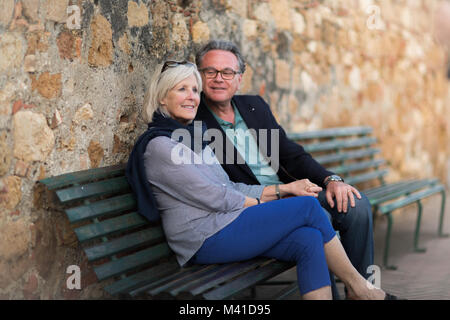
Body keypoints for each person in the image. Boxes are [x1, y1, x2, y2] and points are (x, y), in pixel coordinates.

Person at [125, 60, 398, 300]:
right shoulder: (161, 146)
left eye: (195, 90)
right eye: (182, 89)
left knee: (308, 238)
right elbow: (215, 196)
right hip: (203, 238)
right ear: (162, 98)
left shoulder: (193, 139)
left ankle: (359, 290)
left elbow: (230, 187)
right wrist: (261, 203)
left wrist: (283, 189)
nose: (192, 97)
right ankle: (361, 289)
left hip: (225, 223)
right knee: (307, 207)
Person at [194, 40, 374, 298]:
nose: (218, 79)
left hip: (293, 192)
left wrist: (331, 179)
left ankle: (360, 291)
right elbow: (219, 187)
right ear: (199, 76)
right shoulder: (195, 120)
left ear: (239, 79)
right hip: (255, 203)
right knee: (316, 220)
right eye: (210, 71)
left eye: (227, 72)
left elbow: (290, 154)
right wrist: (280, 191)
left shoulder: (253, 106)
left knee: (356, 205)